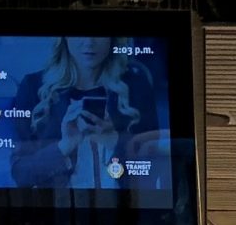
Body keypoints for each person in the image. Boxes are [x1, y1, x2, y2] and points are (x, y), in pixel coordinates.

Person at [10, 36, 169, 193]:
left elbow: (154, 168)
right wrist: (64, 146)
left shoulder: (135, 84)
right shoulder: (34, 87)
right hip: (58, 214)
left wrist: (115, 141)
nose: (89, 42)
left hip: (126, 212)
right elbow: (20, 174)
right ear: (64, 38)